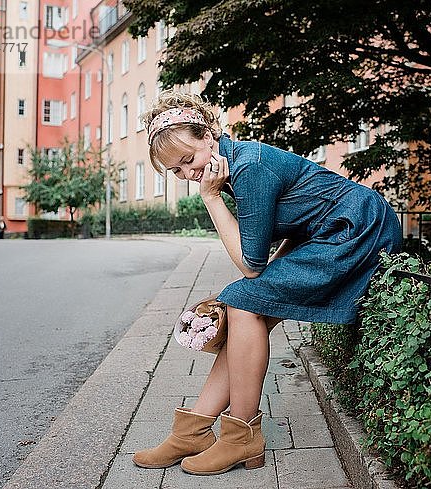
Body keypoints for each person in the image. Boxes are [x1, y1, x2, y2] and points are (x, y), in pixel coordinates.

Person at [132, 91, 402, 476]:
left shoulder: (249, 168)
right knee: (249, 307)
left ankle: (240, 438)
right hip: (329, 231)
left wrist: (211, 199)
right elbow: (299, 223)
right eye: (176, 171)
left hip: (356, 229)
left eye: (189, 160)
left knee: (244, 301)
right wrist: (271, 277)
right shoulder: (235, 165)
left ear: (209, 136)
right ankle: (193, 431)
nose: (188, 174)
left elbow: (250, 264)